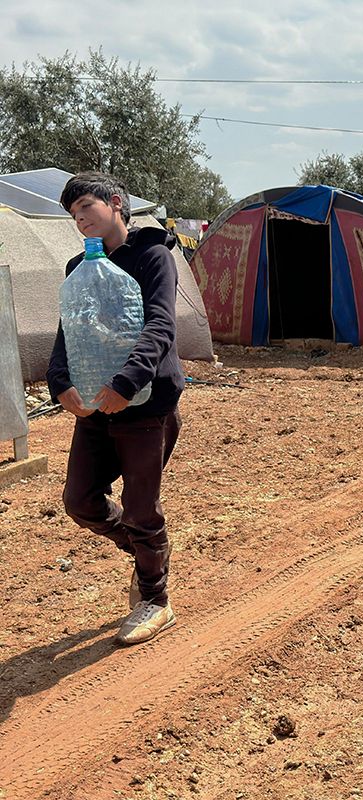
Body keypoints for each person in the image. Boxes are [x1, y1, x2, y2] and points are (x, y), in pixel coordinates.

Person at [47, 172, 184, 645]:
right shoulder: (76, 268)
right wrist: (59, 380)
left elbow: (162, 325)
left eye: (86, 205)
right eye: (73, 213)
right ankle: (151, 553)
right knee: (80, 499)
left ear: (116, 203)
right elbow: (70, 329)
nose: (80, 218)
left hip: (146, 405)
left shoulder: (153, 255)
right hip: (96, 406)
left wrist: (128, 383)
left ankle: (155, 599)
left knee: (141, 507)